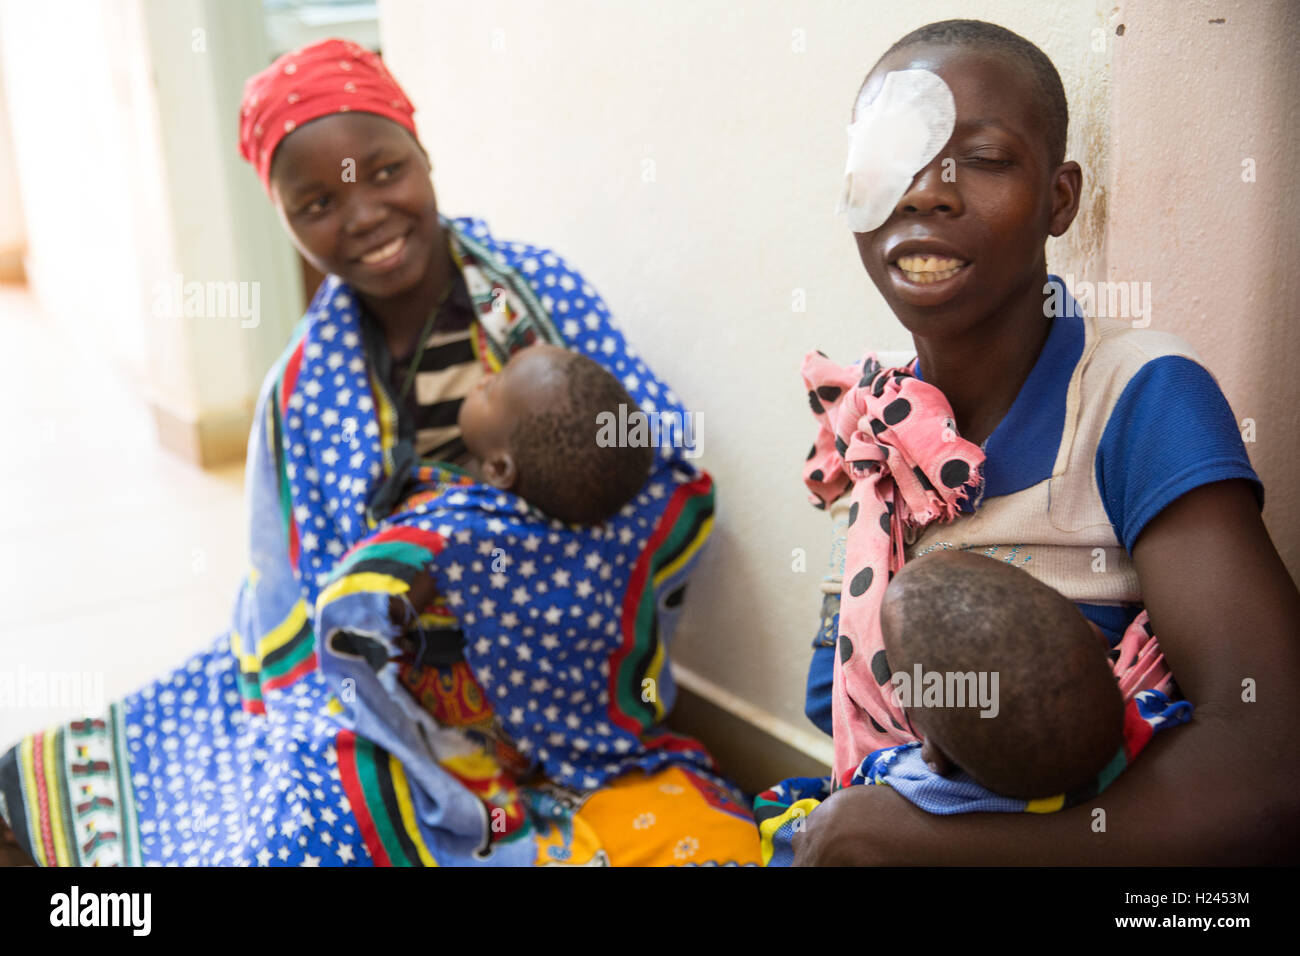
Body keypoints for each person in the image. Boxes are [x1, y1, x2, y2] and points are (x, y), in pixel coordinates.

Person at [0, 38, 760, 867]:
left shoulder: (537, 298)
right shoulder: (301, 387)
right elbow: (297, 593)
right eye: (317, 203)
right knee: (274, 779)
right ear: (285, 219)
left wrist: (512, 561)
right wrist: (385, 607)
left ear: (424, 154)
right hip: (384, 680)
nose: (362, 216)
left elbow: (645, 474)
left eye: (386, 172)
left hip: (546, 661)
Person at [774, 19, 1300, 864]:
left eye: (980, 160)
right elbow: (836, 716)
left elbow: (1273, 768)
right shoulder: (879, 429)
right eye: (889, 162)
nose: (925, 193)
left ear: (1060, 197)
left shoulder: (1141, 398)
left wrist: (935, 844)